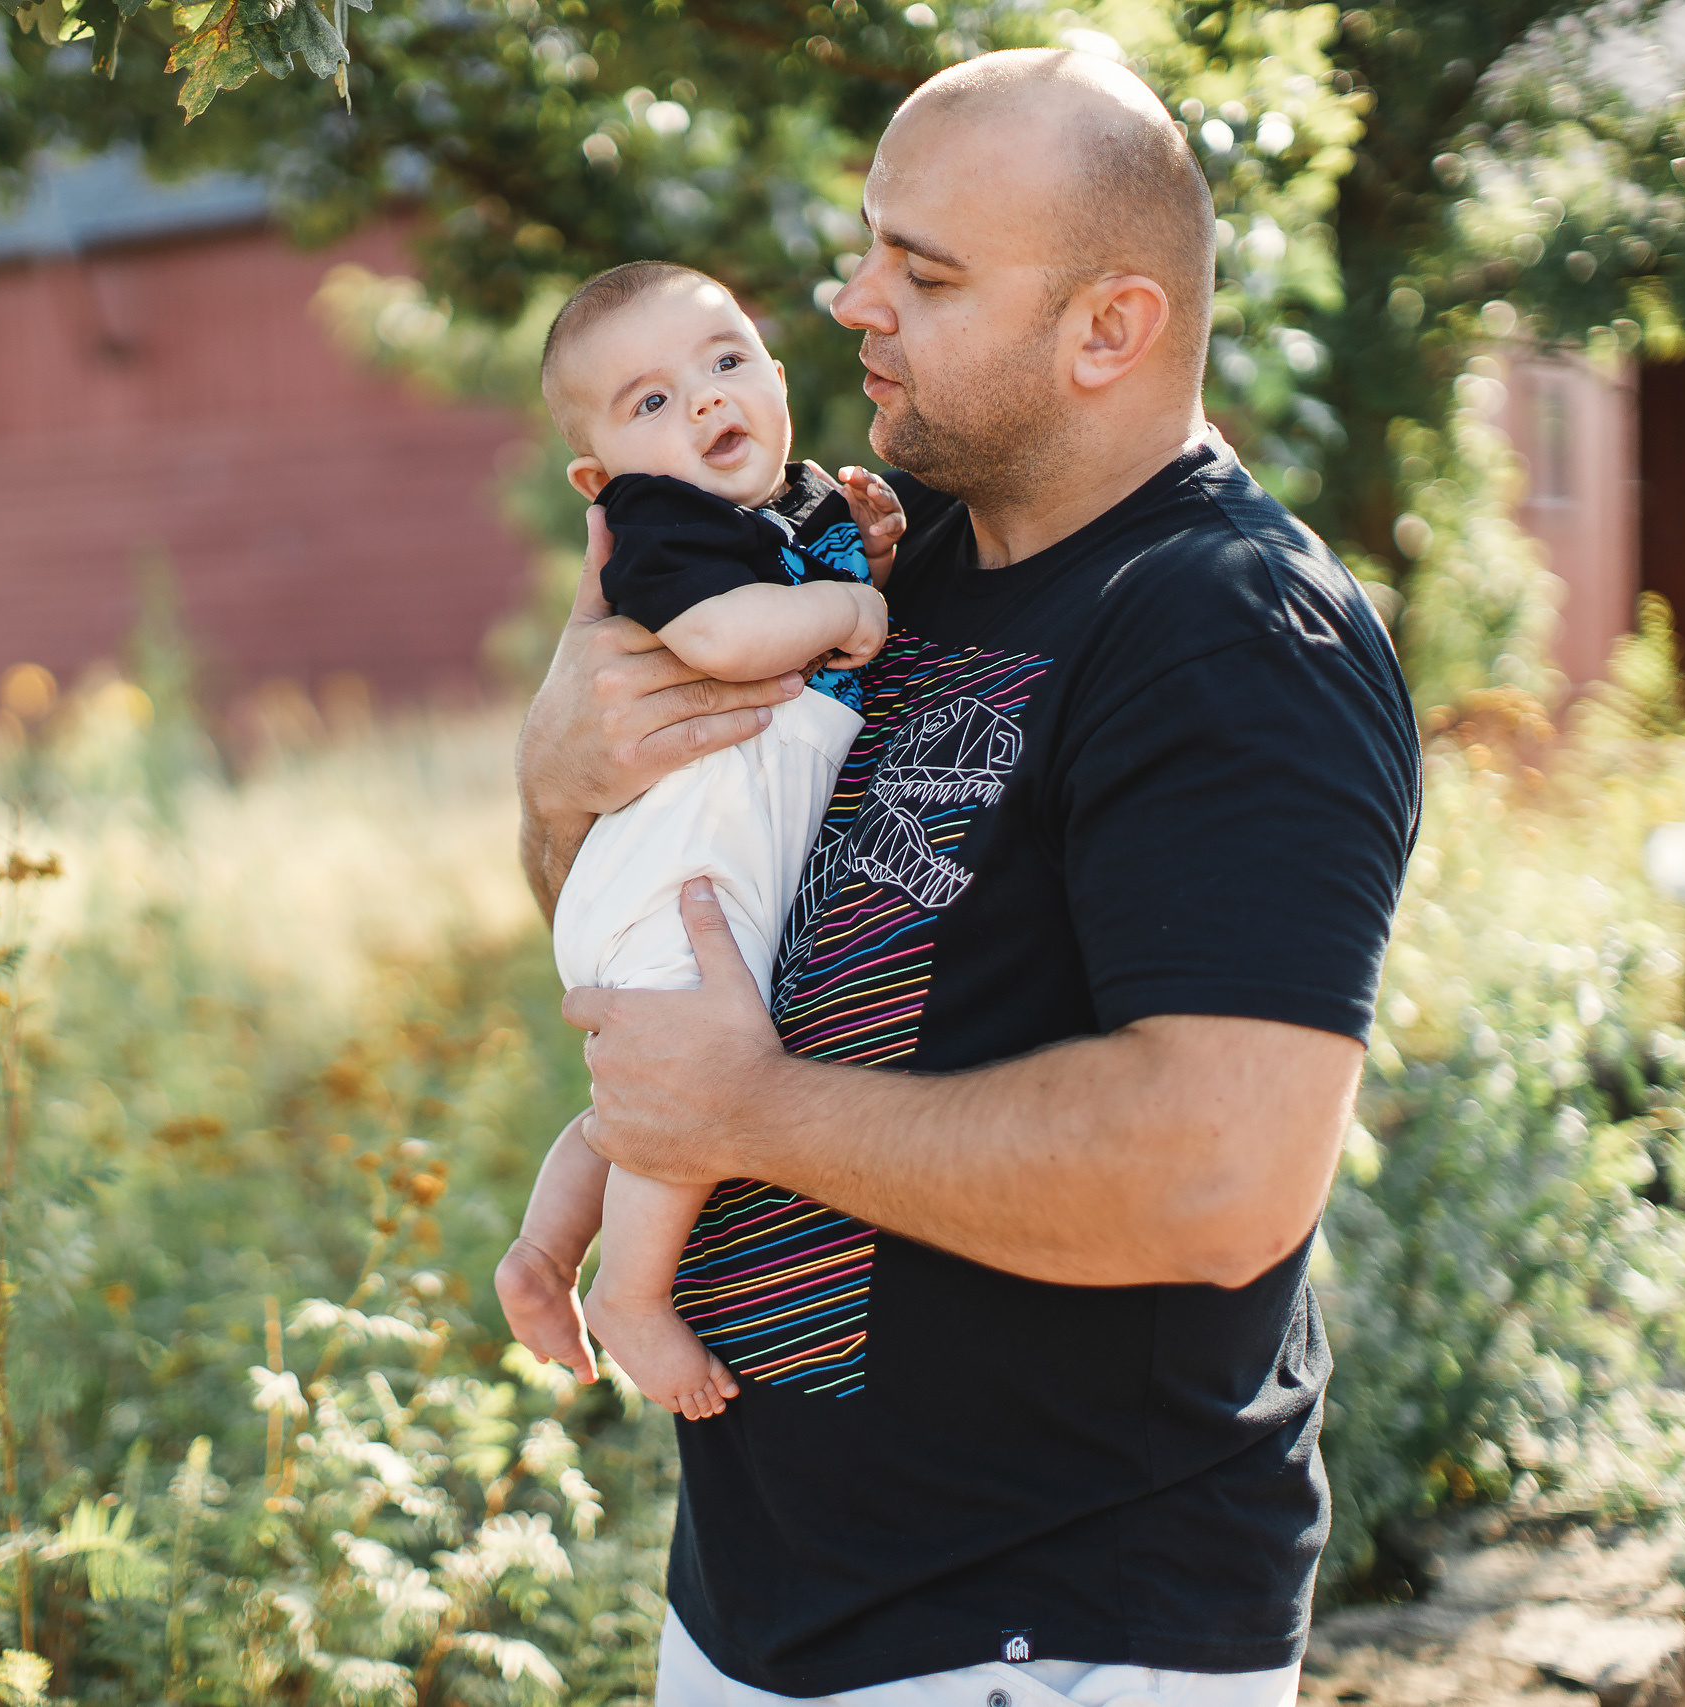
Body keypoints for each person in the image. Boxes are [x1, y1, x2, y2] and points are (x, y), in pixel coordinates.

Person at [511, 47, 1422, 1707]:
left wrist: (749, 1114)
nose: (855, 300)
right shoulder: (870, 552)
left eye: (923, 273)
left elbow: (1221, 1177)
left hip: (1047, 1637)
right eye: (869, 245)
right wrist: (561, 776)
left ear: (1108, 330)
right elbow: (650, 930)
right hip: (762, 1605)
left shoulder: (1230, 632)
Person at [495, 260, 908, 1421]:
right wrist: (847, 608)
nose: (706, 403)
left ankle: (541, 1250)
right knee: (678, 1108)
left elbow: (798, 587)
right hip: (677, 873)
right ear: (599, 476)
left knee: (630, 1104)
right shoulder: (660, 523)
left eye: (724, 364)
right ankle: (630, 1293)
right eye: (651, 403)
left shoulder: (785, 510)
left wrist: (862, 557)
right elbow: (730, 635)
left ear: (776, 376)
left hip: (695, 865)